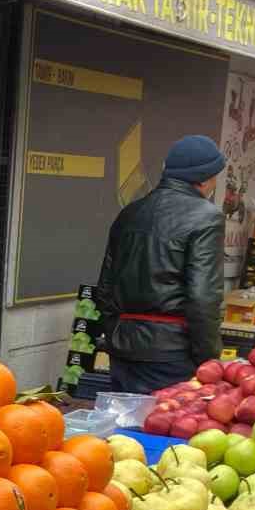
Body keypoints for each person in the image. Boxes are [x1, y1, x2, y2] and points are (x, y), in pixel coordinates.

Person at [95, 134, 227, 394]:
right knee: (164, 430)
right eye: (215, 175)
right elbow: (203, 298)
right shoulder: (206, 217)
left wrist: (116, 334)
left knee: (122, 429)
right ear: (202, 177)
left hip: (124, 348)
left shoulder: (130, 212)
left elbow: (105, 288)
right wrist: (208, 359)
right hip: (171, 353)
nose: (214, 182)